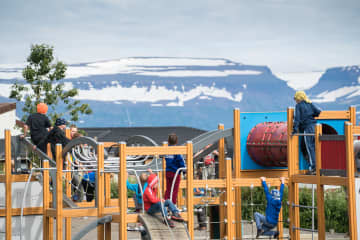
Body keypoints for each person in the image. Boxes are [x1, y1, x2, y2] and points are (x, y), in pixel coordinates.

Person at [292, 91, 322, 174]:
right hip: (315, 127)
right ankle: (318, 166)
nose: (296, 101)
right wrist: (310, 115)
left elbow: (297, 119)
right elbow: (318, 112)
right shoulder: (310, 104)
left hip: (307, 128)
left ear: (299, 98)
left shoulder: (298, 106)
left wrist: (294, 130)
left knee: (309, 148)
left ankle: (313, 168)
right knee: (315, 147)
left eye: (296, 99)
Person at [164, 133, 186, 204]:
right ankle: (172, 204)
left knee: (168, 188)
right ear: (176, 142)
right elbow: (180, 161)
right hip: (175, 172)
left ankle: (166, 203)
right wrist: (184, 170)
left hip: (168, 172)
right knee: (174, 190)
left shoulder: (166, 150)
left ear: (168, 141)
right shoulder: (177, 150)